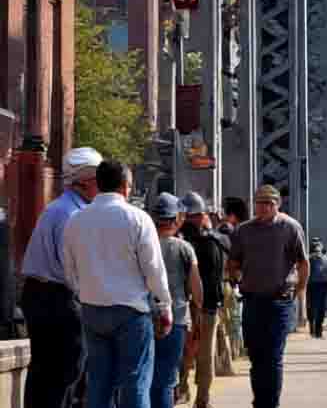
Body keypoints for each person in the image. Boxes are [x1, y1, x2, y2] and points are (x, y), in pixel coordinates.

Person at [62, 160, 172, 408]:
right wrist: (165, 305)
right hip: (131, 312)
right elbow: (154, 269)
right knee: (134, 383)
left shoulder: (76, 220)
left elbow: (69, 270)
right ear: (125, 186)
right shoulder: (138, 218)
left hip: (92, 310)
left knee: (98, 384)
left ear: (99, 184)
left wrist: (85, 292)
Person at [19, 146, 103, 408]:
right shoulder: (73, 214)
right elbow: (74, 267)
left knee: (43, 370)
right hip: (59, 297)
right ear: (85, 182)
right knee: (67, 369)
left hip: (40, 295)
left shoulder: (59, 207)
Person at [227, 184, 308, 408]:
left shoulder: (290, 228)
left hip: (279, 302)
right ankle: (260, 401)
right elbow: (233, 261)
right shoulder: (244, 230)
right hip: (252, 301)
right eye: (259, 203)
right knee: (255, 357)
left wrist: (300, 291)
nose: (263, 208)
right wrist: (236, 278)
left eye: (269, 204)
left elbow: (303, 263)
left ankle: (270, 404)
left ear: (277, 205)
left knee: (272, 357)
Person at [150, 194, 203, 408]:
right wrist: (198, 313)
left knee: (143, 376)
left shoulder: (143, 243)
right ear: (176, 219)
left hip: (143, 317)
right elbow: (196, 289)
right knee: (166, 379)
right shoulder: (184, 248)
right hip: (176, 319)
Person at [177, 192, 227, 408]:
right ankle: (202, 399)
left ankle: (182, 390)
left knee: (183, 352)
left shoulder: (177, 241)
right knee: (205, 354)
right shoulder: (214, 241)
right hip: (208, 306)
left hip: (184, 305)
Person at [306, 239, 327, 338]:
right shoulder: (326, 260)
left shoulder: (308, 259)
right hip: (322, 286)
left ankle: (312, 329)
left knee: (311, 307)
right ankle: (318, 331)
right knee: (321, 308)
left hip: (311, 286)